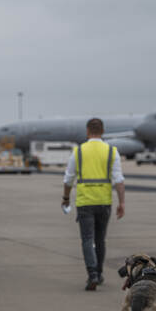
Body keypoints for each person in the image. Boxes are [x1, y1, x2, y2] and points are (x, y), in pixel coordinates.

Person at [62, 118, 126, 290]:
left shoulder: (79, 151)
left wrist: (66, 198)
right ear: (103, 131)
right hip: (104, 201)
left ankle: (92, 275)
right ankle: (99, 272)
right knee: (100, 239)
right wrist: (122, 203)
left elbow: (68, 179)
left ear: (87, 131)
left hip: (85, 202)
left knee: (87, 239)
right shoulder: (112, 151)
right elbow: (118, 180)